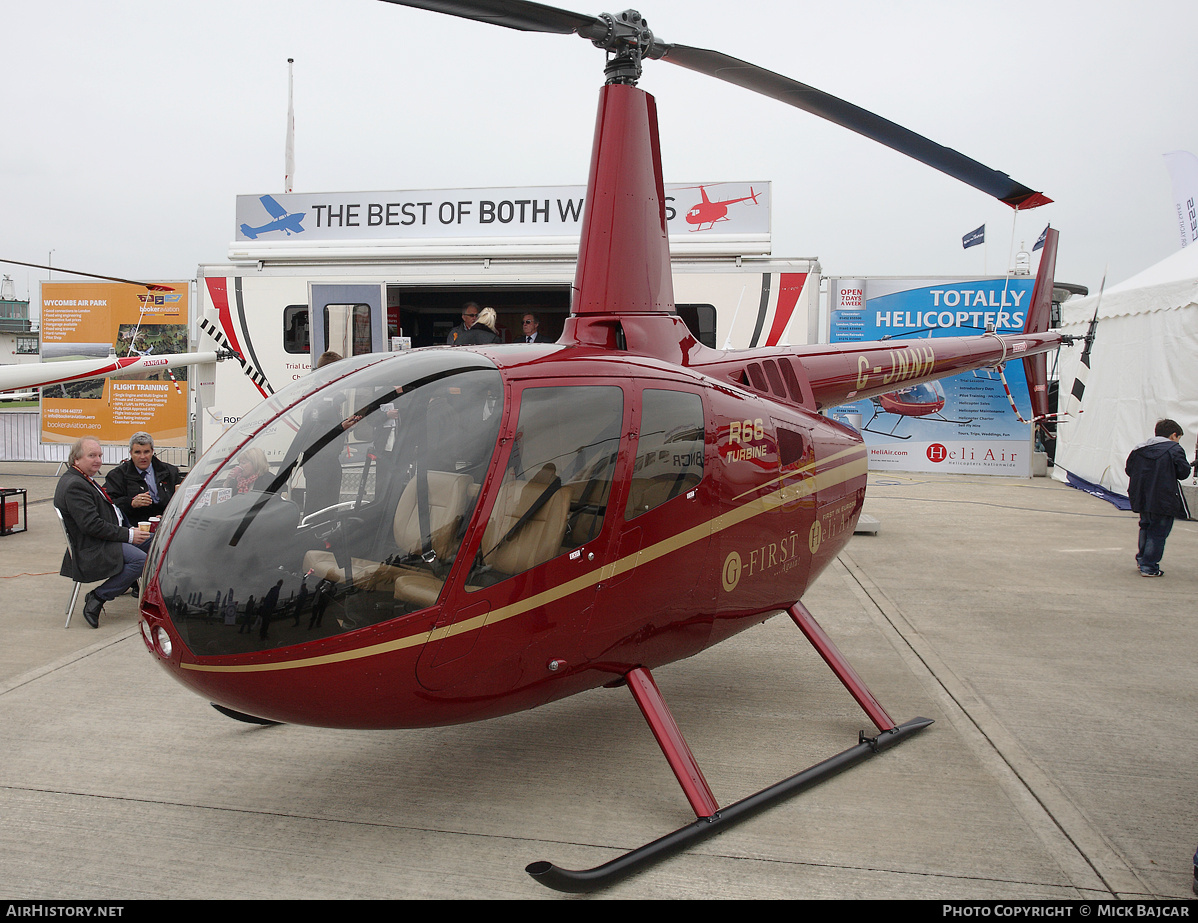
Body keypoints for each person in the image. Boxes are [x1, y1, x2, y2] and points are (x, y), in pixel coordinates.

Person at [55, 436, 152, 628]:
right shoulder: (75, 485)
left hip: (104, 538)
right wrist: (128, 535)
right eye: (91, 455)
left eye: (99, 455)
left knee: (156, 543)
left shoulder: (83, 478)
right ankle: (97, 597)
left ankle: (153, 594)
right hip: (92, 546)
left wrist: (128, 531)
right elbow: (91, 526)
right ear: (76, 459)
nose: (98, 460)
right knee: (140, 560)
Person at [1125, 418, 1191, 577]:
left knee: (1146, 527)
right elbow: (1183, 473)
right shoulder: (1174, 448)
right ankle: (1149, 566)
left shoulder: (1139, 448)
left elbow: (1129, 469)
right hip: (1163, 497)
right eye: (1179, 437)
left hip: (1142, 496)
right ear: (1174, 435)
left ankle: (1142, 560)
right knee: (1158, 532)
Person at [105, 432, 181, 523]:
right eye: (137, 452)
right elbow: (108, 503)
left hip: (166, 522)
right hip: (134, 525)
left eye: (146, 452)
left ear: (152, 451)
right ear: (131, 453)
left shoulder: (170, 472)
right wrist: (131, 503)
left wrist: (167, 516)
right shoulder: (117, 475)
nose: (142, 457)